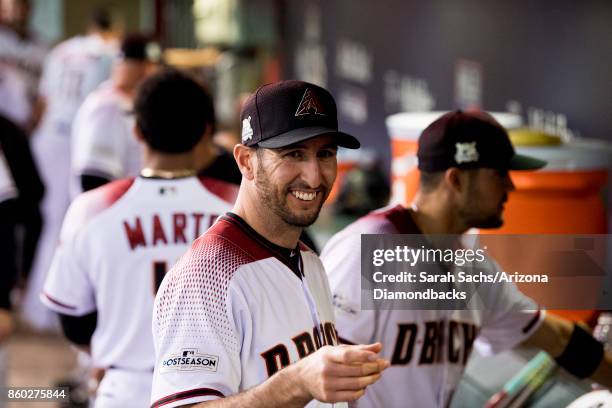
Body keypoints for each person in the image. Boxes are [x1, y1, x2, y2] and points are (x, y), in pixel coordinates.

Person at [321, 110, 612, 407]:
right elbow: (318, 374)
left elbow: (558, 338)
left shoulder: (473, 268)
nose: (510, 187)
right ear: (456, 179)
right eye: (499, 174)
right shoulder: (366, 248)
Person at [150, 80, 389, 408]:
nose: (314, 176)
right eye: (293, 154)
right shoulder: (205, 275)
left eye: (325, 154)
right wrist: (296, 382)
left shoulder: (309, 261)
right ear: (246, 161)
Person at [41, 68, 238, 407]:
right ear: (206, 132)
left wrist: (109, 350)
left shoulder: (92, 208)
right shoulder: (237, 205)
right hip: (216, 386)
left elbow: (73, 322)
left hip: (125, 386)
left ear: (136, 130)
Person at [23, 7, 118, 331]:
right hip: (81, 141)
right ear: (110, 28)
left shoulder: (60, 51)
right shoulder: (109, 52)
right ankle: (57, 306)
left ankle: (39, 308)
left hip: (48, 139)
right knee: (75, 222)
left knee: (49, 223)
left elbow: (43, 102)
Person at [70, 33, 161, 198]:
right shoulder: (108, 106)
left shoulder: (129, 103)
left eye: (151, 65)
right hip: (106, 216)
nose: (148, 71)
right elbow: (93, 179)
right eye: (140, 64)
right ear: (120, 64)